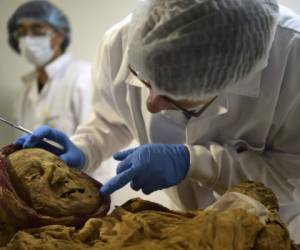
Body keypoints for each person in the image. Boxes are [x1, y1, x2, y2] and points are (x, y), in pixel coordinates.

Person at [15, 0, 300, 243]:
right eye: (143, 81)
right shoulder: (120, 44)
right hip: (181, 224)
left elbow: (294, 173)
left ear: (234, 82)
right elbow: (112, 118)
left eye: (175, 100)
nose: (150, 105)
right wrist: (84, 148)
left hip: (273, 227)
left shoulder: (292, 57)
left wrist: (197, 163)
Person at [7, 0, 92, 136]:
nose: (28, 39)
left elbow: (99, 143)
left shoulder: (83, 76)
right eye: (21, 32)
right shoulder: (25, 92)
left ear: (59, 35)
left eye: (37, 30)